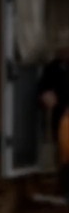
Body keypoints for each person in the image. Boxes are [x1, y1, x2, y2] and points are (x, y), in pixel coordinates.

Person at [38, 45, 69, 203]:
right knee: (63, 153)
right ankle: (64, 189)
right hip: (61, 116)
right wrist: (45, 95)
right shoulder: (53, 67)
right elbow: (43, 89)